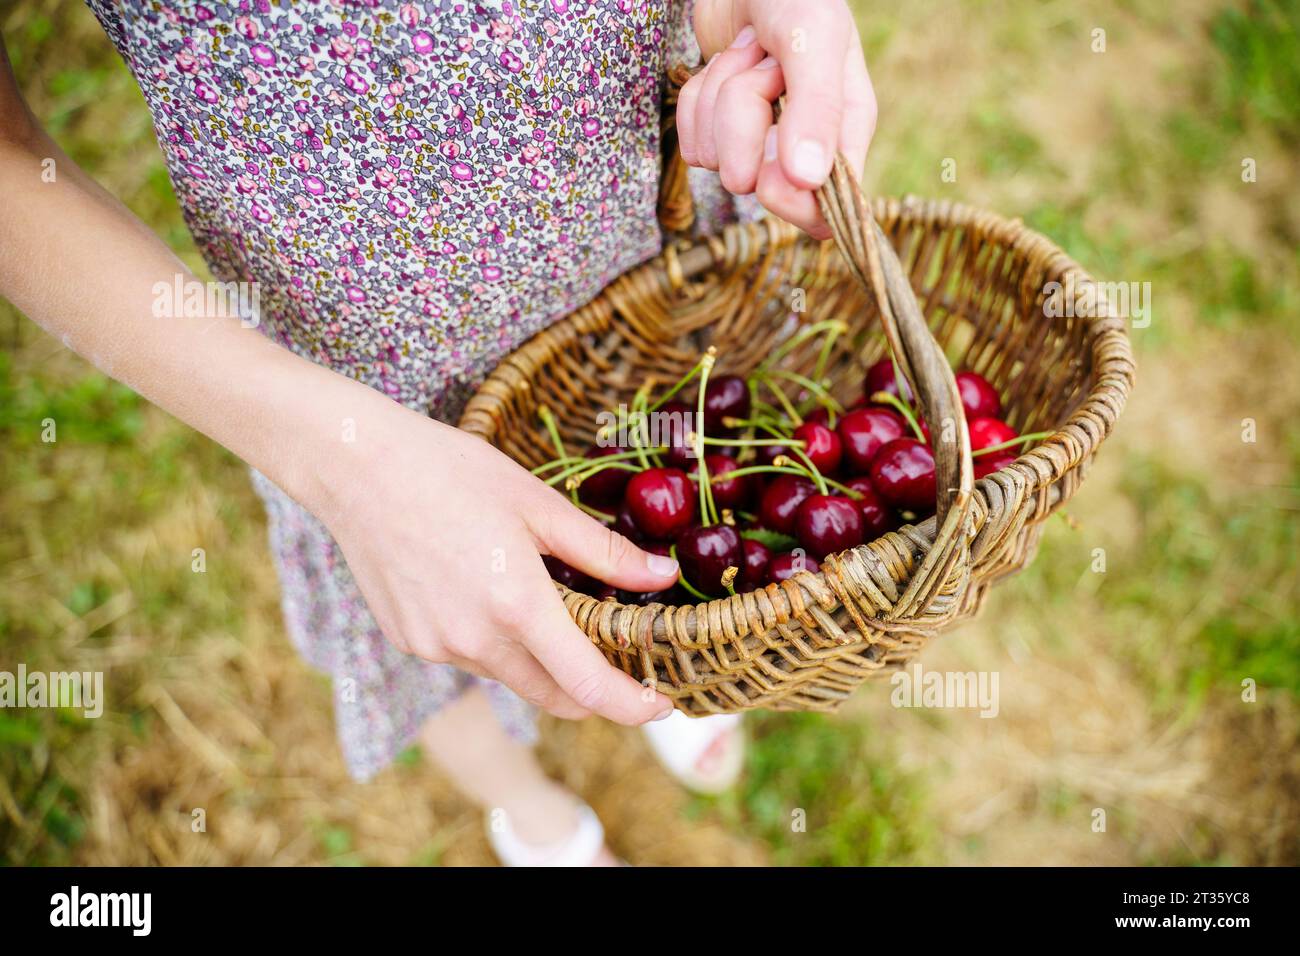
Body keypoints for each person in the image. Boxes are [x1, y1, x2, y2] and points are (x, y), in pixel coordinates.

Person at [0, 0, 875, 865]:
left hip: (646, 236)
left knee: (690, 514)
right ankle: (531, 813)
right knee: (437, 639)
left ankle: (682, 670)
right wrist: (342, 463)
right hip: (377, 400)